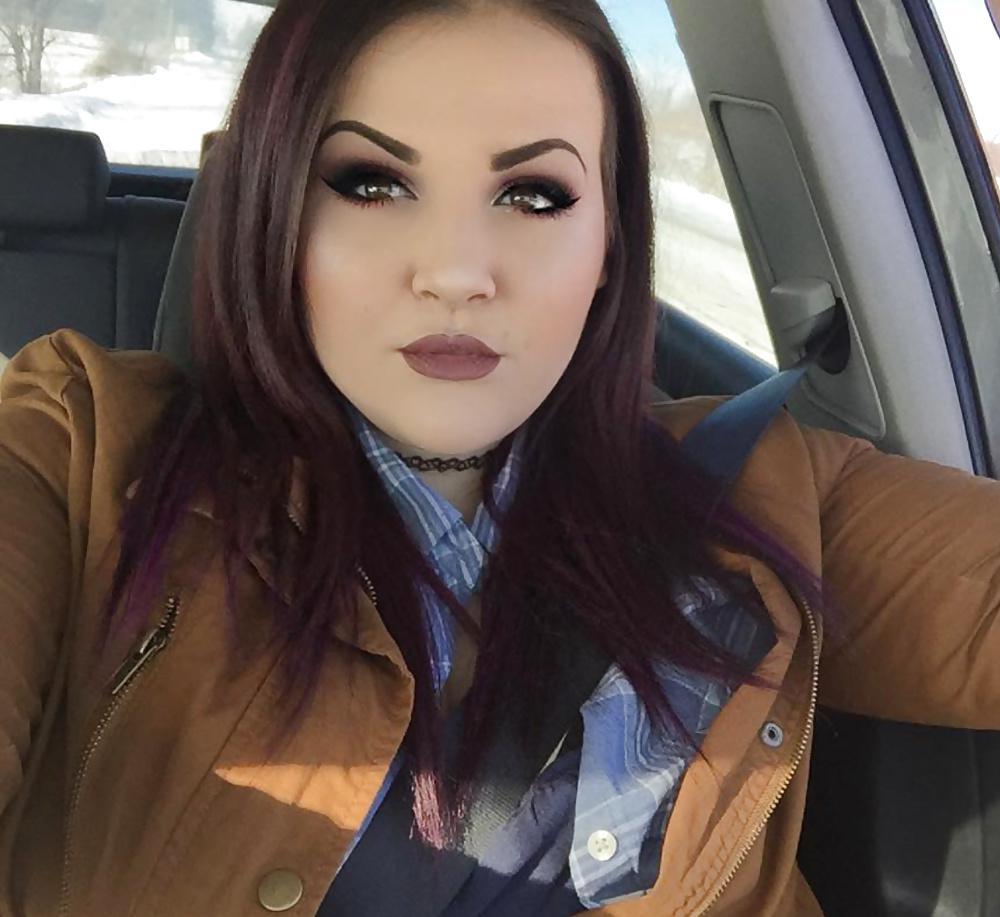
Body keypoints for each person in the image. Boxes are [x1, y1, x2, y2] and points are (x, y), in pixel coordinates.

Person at [2, 1, 1000, 914]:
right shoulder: (83, 453)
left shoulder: (754, 492)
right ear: (275, 213)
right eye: (372, 182)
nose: (456, 272)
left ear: (609, 245)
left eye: (532, 194)